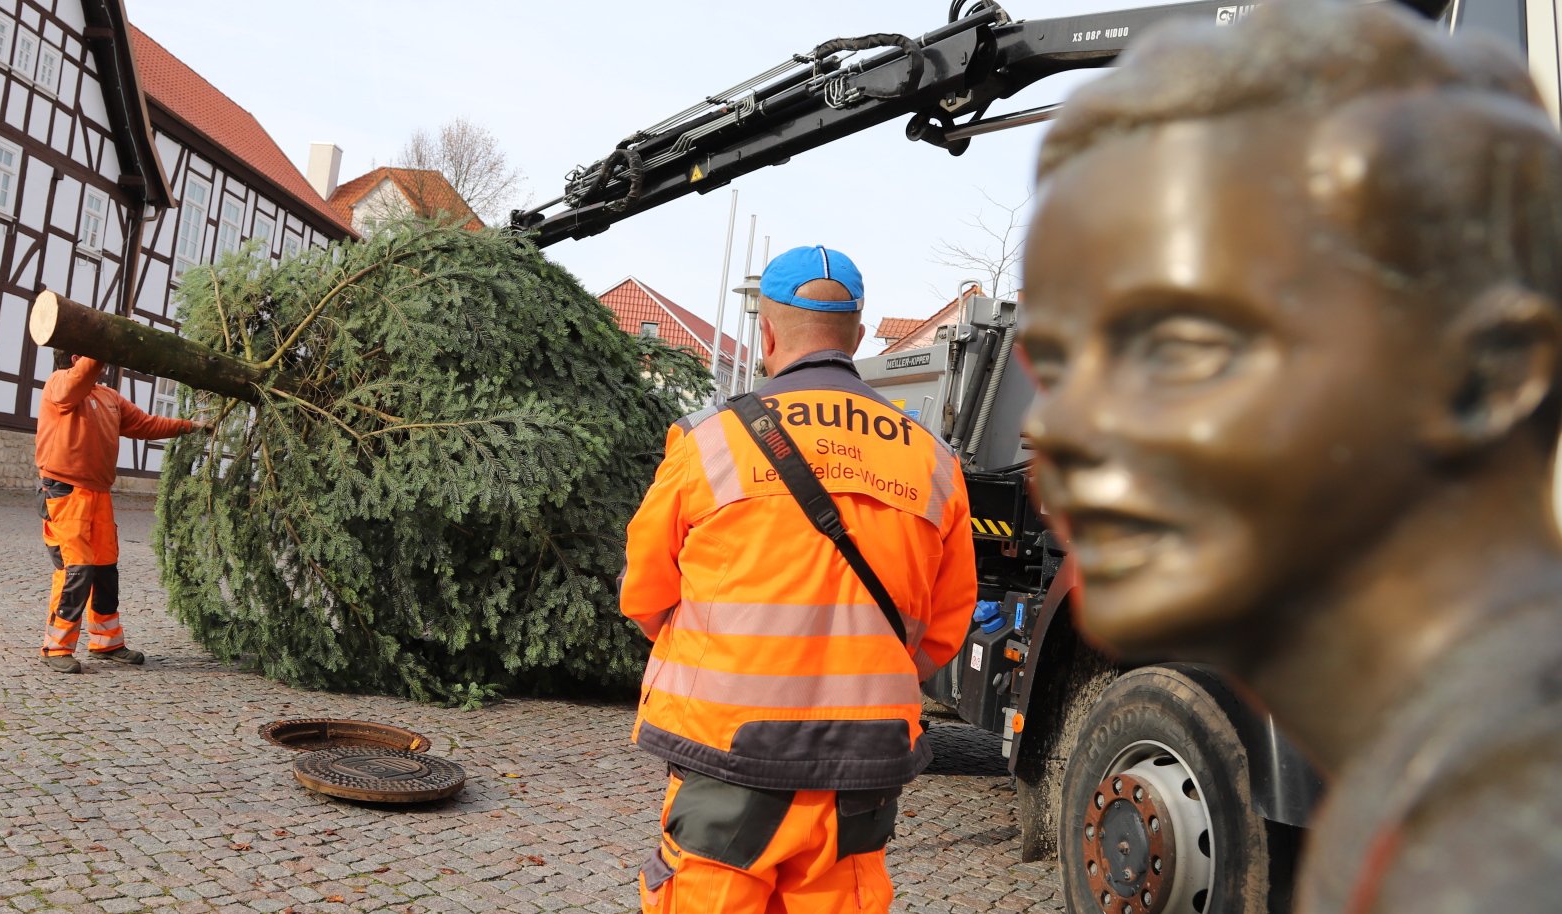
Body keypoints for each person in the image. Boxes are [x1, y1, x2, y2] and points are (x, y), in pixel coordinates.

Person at [1019, 2, 1562, 910]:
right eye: (1058, 363)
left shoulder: (1494, 858)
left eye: (1180, 347)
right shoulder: (1427, 792)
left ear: (1485, 375)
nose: (1058, 428)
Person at [620, 245, 977, 913]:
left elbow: (644, 597)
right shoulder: (933, 463)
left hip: (727, 754)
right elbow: (945, 630)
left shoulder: (709, 442)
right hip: (861, 767)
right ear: (860, 334)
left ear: (767, 332)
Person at [35, 350, 209, 674]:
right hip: (65, 492)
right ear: (76, 359)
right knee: (76, 569)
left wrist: (190, 427)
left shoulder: (108, 397)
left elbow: (146, 424)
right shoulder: (60, 385)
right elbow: (82, 374)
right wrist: (104, 342)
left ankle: (106, 642)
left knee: (104, 569)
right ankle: (56, 647)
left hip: (99, 493)